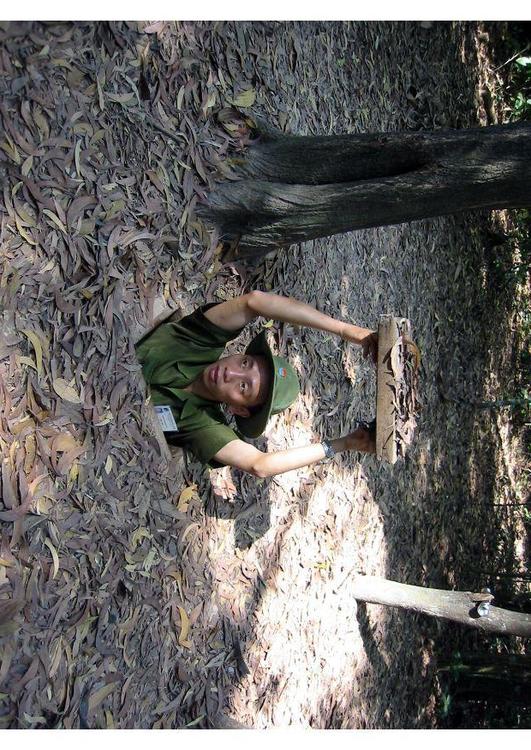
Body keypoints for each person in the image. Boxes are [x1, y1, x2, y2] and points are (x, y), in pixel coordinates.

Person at [135, 290, 377, 477]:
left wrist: (342, 443)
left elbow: (260, 465)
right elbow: (255, 301)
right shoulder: (200, 339)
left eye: (244, 387)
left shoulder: (203, 425)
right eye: (244, 364)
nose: (229, 374)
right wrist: (346, 330)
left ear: (239, 409)